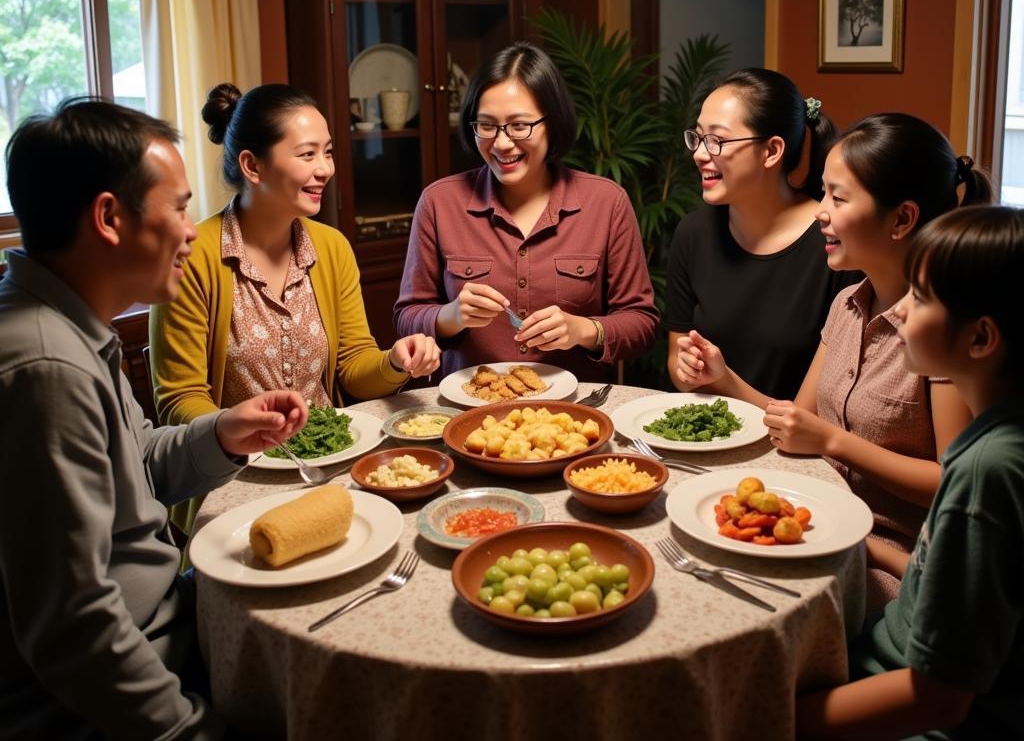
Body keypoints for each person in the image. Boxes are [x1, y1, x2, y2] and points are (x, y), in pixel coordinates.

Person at [0, 99, 308, 739]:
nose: (193, 230)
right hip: (130, 677)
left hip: (169, 614)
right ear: (110, 218)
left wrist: (221, 431)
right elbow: (73, 625)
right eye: (177, 208)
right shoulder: (44, 367)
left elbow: (138, 468)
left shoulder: (71, 325)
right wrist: (188, 730)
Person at [676, 114, 989, 608]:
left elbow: (954, 486)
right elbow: (799, 421)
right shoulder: (848, 304)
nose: (820, 212)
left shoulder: (935, 336)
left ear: (902, 219)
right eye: (822, 193)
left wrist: (834, 443)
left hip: (890, 559)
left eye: (838, 199)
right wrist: (726, 379)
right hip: (821, 523)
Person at [150, 83, 439, 529]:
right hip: (234, 480)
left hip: (331, 463)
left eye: (327, 152)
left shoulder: (331, 247)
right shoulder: (194, 257)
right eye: (307, 155)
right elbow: (180, 401)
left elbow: (352, 366)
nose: (325, 168)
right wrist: (239, 429)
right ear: (252, 165)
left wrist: (395, 362)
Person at [796, 205, 1024, 741]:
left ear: (980, 339)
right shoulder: (995, 439)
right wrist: (869, 548)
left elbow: (938, 698)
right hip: (883, 649)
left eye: (919, 298)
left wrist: (768, 720)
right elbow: (944, 591)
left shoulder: (988, 471)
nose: (898, 312)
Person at [394, 42, 659, 381]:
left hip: (576, 421)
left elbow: (643, 324)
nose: (502, 143)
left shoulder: (606, 202)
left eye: (520, 125)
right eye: (487, 125)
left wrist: (583, 330)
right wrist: (452, 314)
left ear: (553, 122)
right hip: (470, 413)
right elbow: (406, 317)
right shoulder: (439, 203)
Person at [666, 68, 859, 399]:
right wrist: (687, 371)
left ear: (771, 151)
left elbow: (824, 413)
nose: (699, 153)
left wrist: (725, 381)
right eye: (697, 137)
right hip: (702, 436)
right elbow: (676, 365)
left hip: (791, 447)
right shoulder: (692, 234)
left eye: (717, 140)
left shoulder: (833, 244)